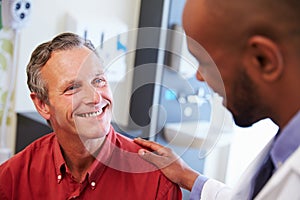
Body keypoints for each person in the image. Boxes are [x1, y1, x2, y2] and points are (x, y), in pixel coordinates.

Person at [134, 0, 300, 199]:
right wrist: (188, 177)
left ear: (263, 60)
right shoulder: (284, 149)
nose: (199, 77)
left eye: (204, 62)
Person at [0, 32, 182, 200]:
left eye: (99, 81)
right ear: (42, 104)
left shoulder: (157, 180)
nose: (95, 98)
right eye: (72, 88)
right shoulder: (11, 180)